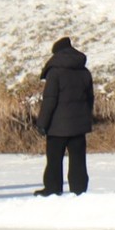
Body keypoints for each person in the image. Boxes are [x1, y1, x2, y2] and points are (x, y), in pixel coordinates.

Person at [36, 36, 93, 197]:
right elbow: (90, 99)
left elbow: (49, 101)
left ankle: (53, 188)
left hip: (57, 127)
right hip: (79, 126)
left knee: (54, 160)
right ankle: (79, 189)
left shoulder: (55, 73)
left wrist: (42, 123)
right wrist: (86, 119)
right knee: (78, 160)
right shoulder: (84, 71)